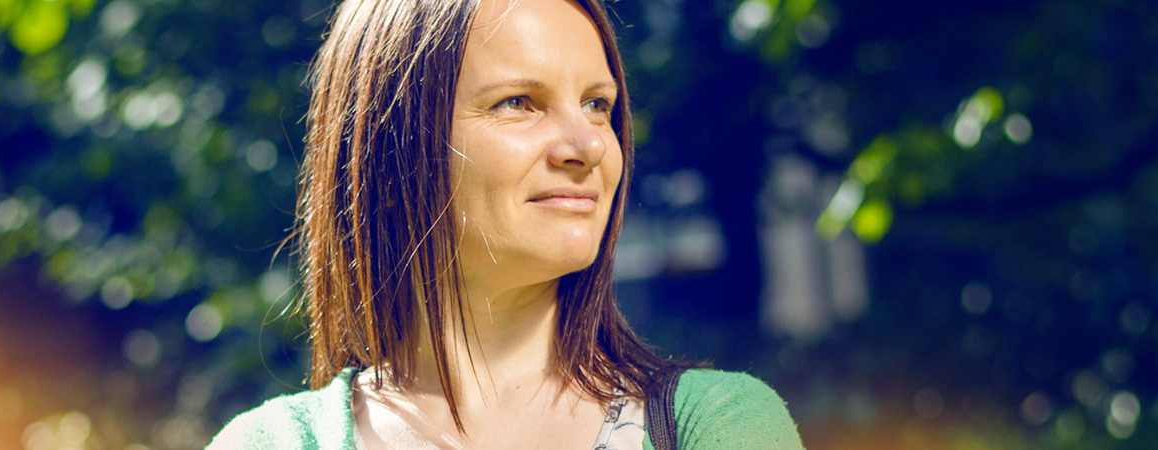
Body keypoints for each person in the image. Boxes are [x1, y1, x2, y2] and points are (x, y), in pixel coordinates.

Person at [207, 0, 804, 448]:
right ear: (388, 157)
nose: (589, 146)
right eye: (518, 102)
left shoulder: (719, 426)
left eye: (598, 105)